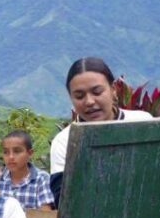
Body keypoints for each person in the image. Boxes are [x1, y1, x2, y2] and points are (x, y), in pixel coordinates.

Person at [49, 57, 153, 206]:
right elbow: (65, 202)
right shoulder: (64, 142)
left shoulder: (142, 123)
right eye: (79, 96)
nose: (89, 102)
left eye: (97, 92)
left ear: (113, 90)